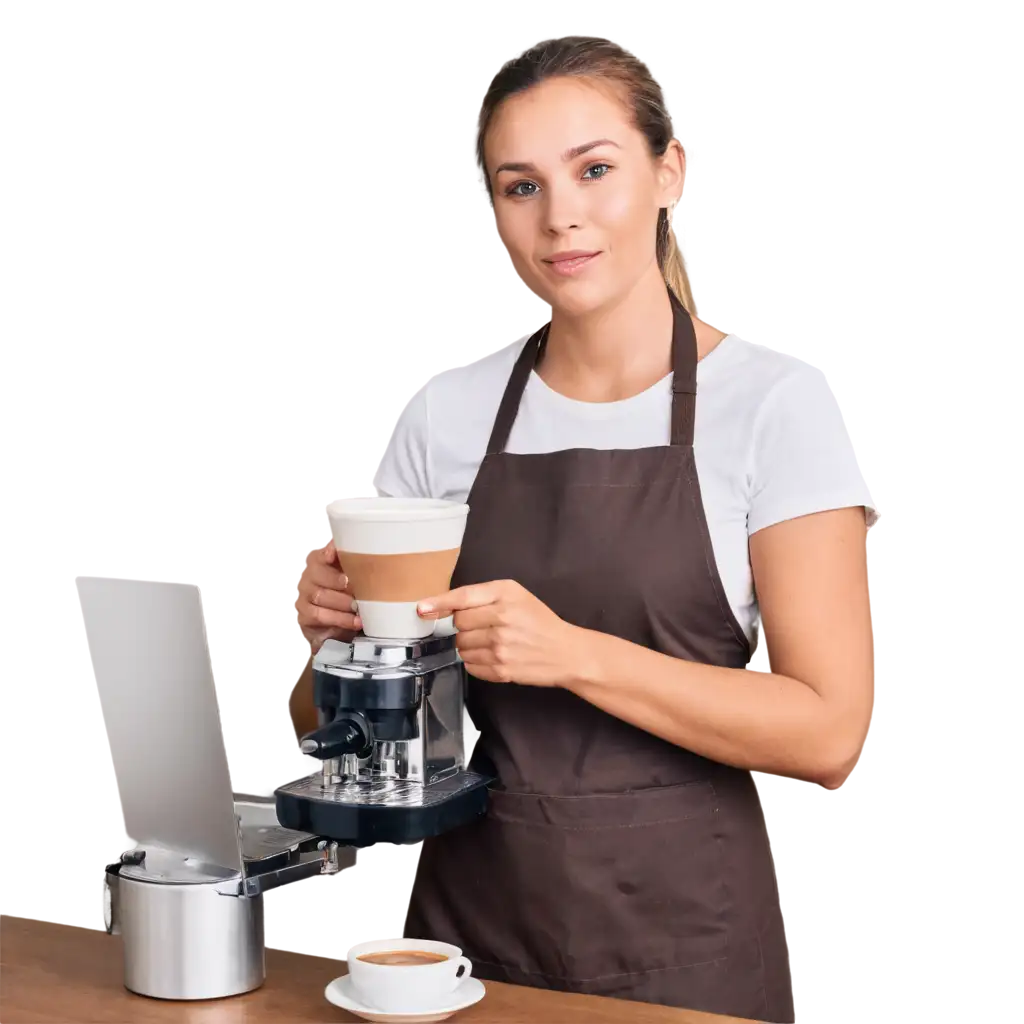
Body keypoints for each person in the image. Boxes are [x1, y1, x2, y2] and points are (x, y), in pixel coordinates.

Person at [291, 36, 877, 1023]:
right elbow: (330, 735)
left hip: (683, 950)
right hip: (464, 942)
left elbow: (824, 732)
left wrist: (569, 655)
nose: (560, 216)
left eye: (594, 170)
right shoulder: (445, 411)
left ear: (668, 172)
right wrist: (328, 641)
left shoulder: (774, 407)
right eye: (519, 187)